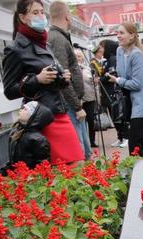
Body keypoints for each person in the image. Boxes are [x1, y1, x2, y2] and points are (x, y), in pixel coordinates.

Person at [3, 0, 84, 165]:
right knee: (62, 169)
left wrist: (62, 78)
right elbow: (9, 90)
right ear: (23, 18)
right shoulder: (15, 49)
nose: (41, 16)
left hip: (58, 110)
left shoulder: (44, 43)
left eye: (41, 12)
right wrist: (37, 80)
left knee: (76, 164)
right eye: (35, 13)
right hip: (41, 117)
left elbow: (50, 80)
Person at [47, 1, 90, 159]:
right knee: (78, 151)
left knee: (84, 149)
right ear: (67, 16)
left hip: (73, 103)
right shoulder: (58, 39)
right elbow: (63, 78)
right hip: (70, 105)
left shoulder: (60, 37)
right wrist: (77, 106)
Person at [107, 22, 143, 156]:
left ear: (132, 36)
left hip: (140, 102)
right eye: (117, 33)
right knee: (141, 143)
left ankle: (138, 170)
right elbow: (122, 74)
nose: (118, 36)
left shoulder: (137, 54)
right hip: (128, 101)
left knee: (134, 143)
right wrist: (117, 78)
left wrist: (118, 80)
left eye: (122, 33)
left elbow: (136, 84)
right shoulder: (119, 51)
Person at [7, 101, 53, 169]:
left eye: (25, 109)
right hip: (19, 175)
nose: (21, 110)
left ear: (33, 116)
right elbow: (13, 159)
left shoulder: (38, 139)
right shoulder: (16, 132)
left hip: (30, 177)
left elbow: (43, 165)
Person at [76, 49, 98, 150]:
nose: (77, 58)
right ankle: (83, 143)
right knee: (81, 122)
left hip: (89, 98)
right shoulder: (72, 69)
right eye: (75, 56)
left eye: (79, 56)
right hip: (78, 100)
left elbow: (94, 81)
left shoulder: (88, 68)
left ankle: (92, 141)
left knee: (91, 120)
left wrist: (95, 81)